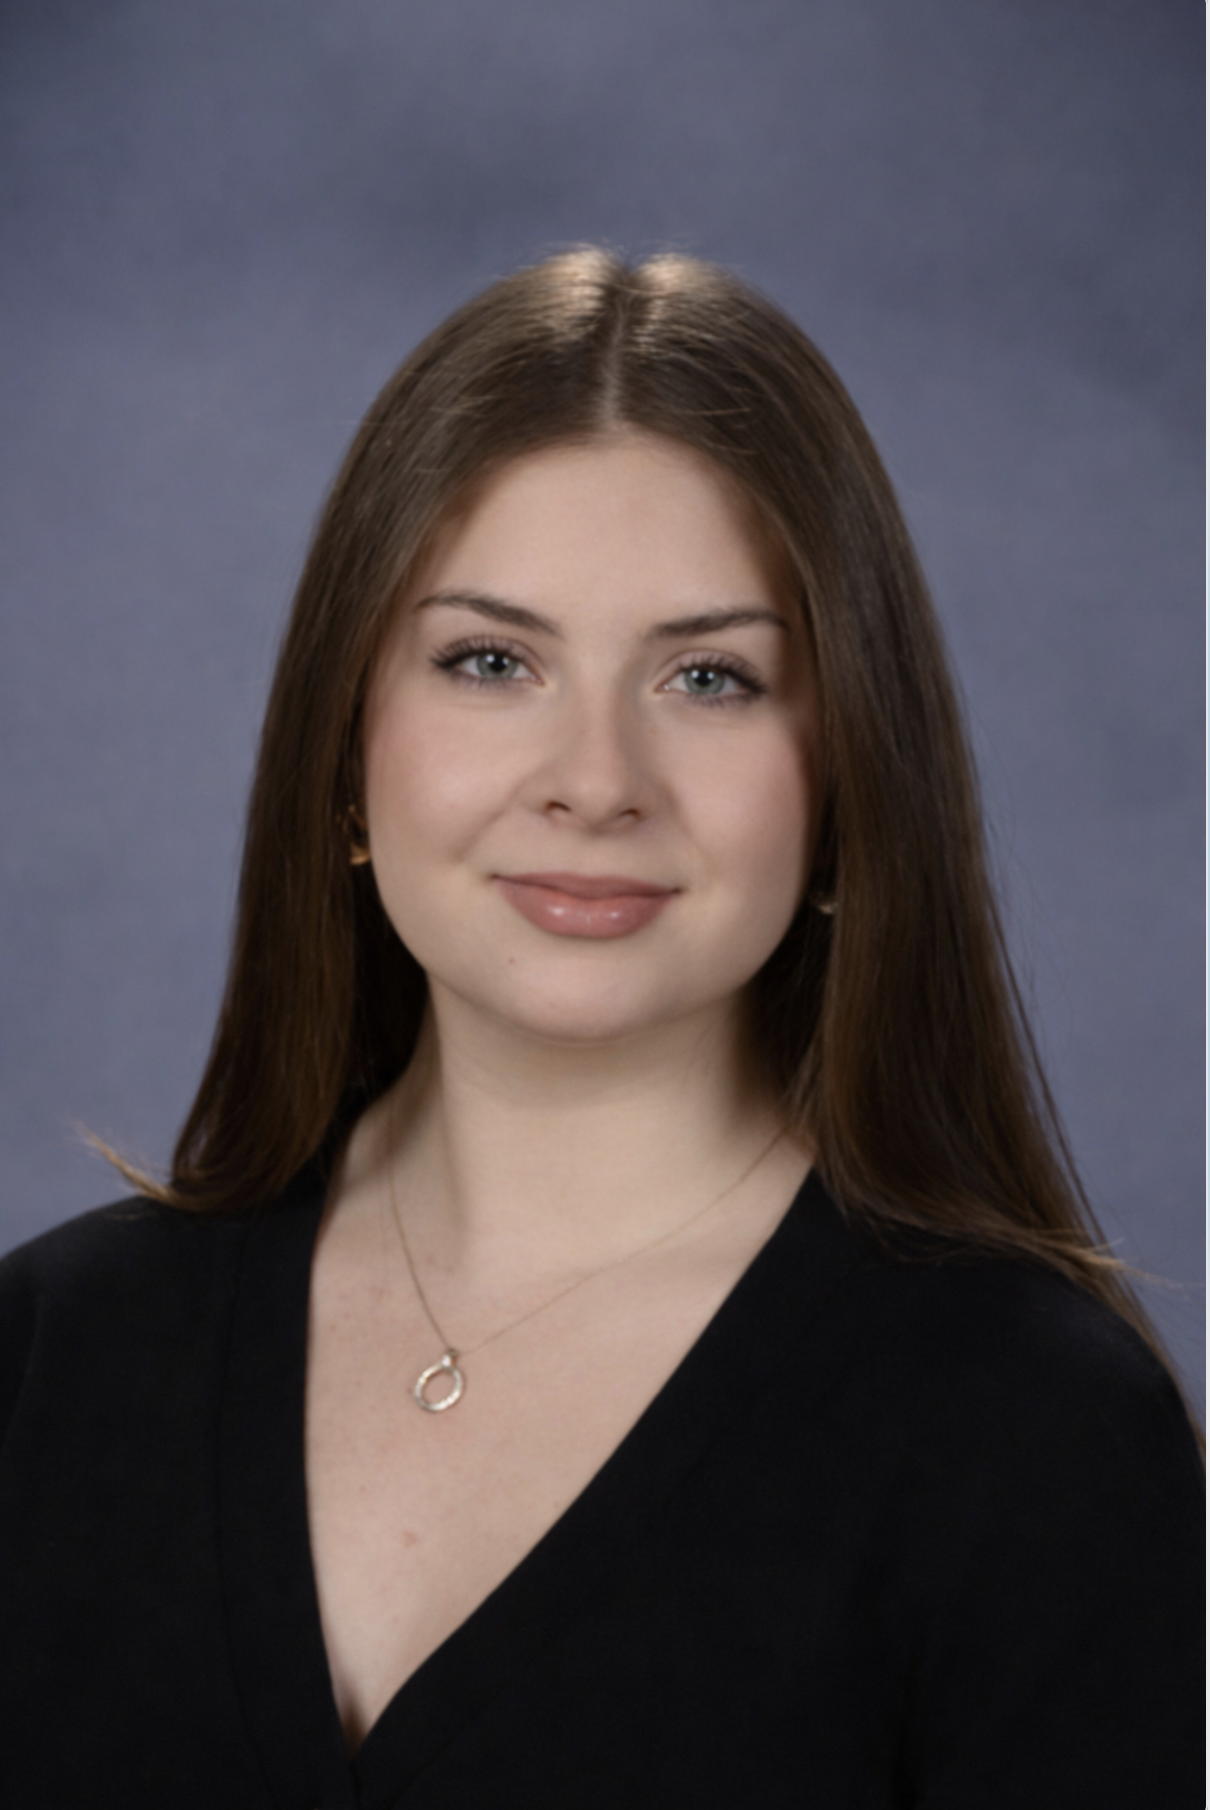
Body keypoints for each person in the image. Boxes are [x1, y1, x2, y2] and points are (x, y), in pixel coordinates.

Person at [0, 249, 1201, 1809]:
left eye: (708, 676)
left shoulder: (1030, 1432)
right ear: (347, 750)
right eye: (490, 660)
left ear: (845, 786)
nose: (593, 777)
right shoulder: (48, 1361)